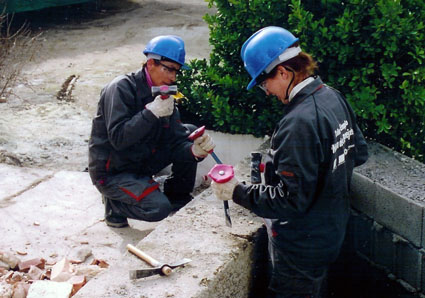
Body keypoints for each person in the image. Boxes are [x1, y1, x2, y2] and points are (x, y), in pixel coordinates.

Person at [211, 26, 368, 298]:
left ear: (284, 72)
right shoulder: (332, 97)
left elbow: (290, 201)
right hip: (331, 232)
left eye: (264, 84)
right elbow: (359, 153)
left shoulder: (298, 123)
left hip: (300, 247)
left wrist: (237, 191)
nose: (267, 92)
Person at [88, 35, 215, 228]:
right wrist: (151, 113)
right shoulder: (120, 88)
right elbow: (119, 139)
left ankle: (177, 196)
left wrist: (195, 152)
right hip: (113, 171)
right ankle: (114, 206)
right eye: (169, 69)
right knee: (158, 209)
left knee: (189, 132)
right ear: (150, 63)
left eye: (176, 71)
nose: (173, 77)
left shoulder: (163, 90)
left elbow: (176, 138)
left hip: (140, 160)